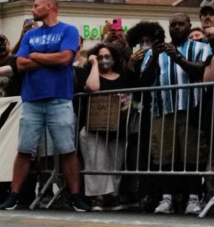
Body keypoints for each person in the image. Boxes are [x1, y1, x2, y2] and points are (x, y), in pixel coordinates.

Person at [0, 0, 90, 212]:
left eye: (36, 5)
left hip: (60, 99)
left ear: (49, 7)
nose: (32, 9)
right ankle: (14, 195)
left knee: (67, 149)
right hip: (32, 100)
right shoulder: (30, 34)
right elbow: (20, 63)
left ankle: (75, 195)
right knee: (24, 149)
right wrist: (49, 57)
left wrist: (36, 56)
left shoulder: (69, 30)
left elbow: (65, 59)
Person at [139, 13, 211, 214]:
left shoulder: (201, 48)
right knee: (164, 156)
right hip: (163, 109)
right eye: (173, 25)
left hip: (191, 108)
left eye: (181, 24)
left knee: (192, 155)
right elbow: (144, 81)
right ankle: (166, 198)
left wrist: (177, 58)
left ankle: (193, 198)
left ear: (189, 27)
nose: (177, 27)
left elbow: (202, 72)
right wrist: (153, 56)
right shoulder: (157, 52)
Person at [77, 43, 130, 209]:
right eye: (100, 57)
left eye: (107, 57)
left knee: (115, 163)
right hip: (93, 128)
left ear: (114, 60)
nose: (104, 60)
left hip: (116, 128)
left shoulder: (123, 77)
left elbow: (129, 99)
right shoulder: (90, 74)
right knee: (95, 163)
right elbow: (92, 87)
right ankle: (97, 197)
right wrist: (93, 65)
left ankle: (112, 197)